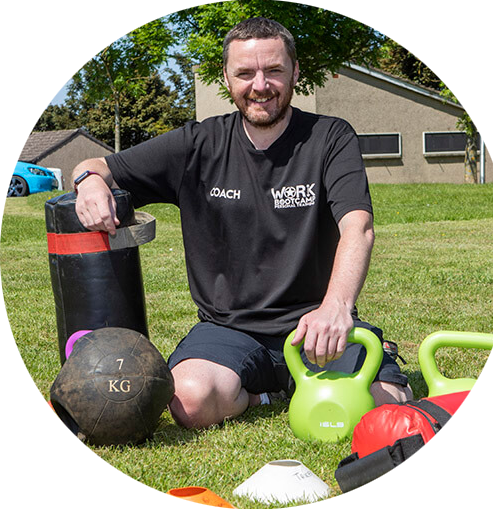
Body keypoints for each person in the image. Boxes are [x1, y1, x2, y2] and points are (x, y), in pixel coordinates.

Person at [71, 17, 412, 429]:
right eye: (245, 73)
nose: (260, 85)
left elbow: (358, 227)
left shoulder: (330, 138)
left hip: (316, 325)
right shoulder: (196, 145)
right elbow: (96, 165)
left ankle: (349, 363)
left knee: (385, 404)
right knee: (189, 401)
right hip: (229, 331)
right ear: (227, 78)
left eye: (274, 70)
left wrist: (336, 308)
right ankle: (264, 395)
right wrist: (88, 181)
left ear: (295, 72)